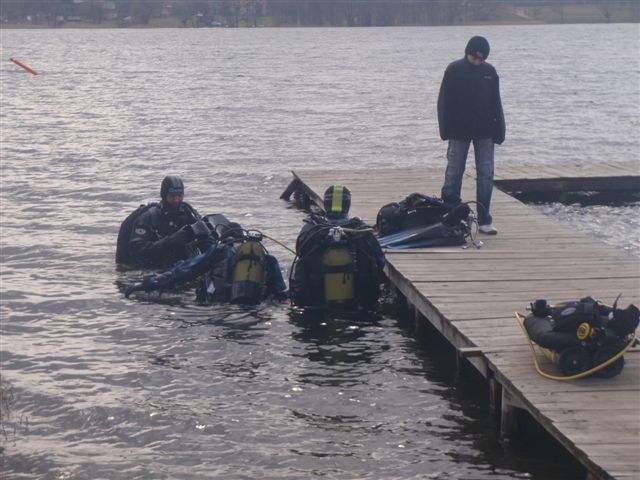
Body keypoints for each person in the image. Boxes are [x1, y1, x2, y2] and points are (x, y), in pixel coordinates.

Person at [125, 214, 288, 305]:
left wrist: (147, 284)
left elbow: (183, 272)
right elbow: (282, 293)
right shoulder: (266, 258)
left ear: (224, 237)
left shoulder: (219, 250)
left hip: (220, 306)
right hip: (256, 306)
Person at [437, 35, 505, 235]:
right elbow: (443, 102)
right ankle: (450, 212)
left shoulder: (490, 72)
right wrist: (445, 129)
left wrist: (500, 130)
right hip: (458, 131)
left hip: (485, 132)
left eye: (481, 59)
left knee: (486, 174)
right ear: (467, 53)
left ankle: (484, 218)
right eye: (475, 57)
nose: (478, 61)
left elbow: (496, 103)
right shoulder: (454, 70)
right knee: (454, 171)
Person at [290, 185, 385, 311]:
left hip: (316, 303)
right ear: (347, 205)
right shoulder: (361, 230)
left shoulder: (311, 230)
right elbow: (380, 262)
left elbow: (300, 252)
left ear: (326, 204)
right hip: (359, 304)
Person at [116, 175, 209, 268]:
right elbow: (137, 250)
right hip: (152, 268)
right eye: (172, 196)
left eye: (179, 195)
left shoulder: (186, 213)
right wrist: (171, 241)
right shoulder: (149, 217)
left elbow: (202, 236)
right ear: (164, 195)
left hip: (180, 266)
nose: (176, 200)